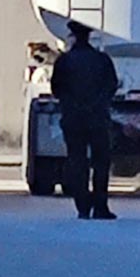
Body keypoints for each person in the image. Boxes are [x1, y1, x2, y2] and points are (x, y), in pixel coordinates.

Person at [50, 20, 119, 220]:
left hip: (73, 118)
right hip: (98, 118)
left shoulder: (64, 61)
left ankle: (82, 205)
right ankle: (100, 206)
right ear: (89, 37)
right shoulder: (102, 60)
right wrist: (97, 104)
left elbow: (56, 88)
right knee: (101, 162)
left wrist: (72, 103)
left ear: (72, 36)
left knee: (77, 160)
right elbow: (111, 86)